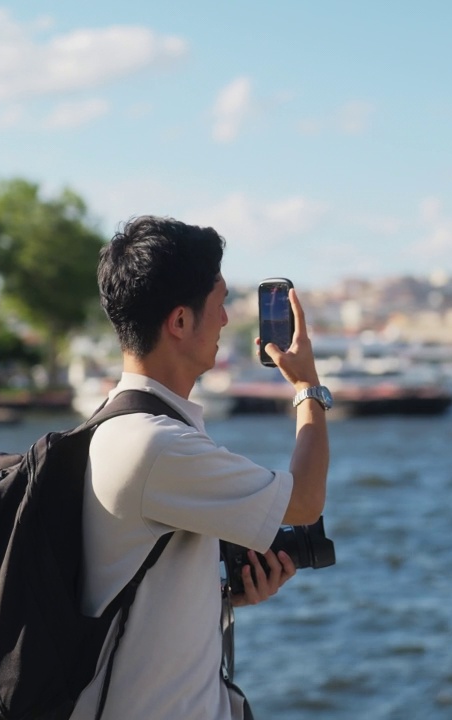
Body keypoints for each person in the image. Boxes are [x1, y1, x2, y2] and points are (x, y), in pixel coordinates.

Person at [68, 215, 331, 719]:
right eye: (220, 303)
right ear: (181, 323)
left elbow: (129, 592)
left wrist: (224, 597)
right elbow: (305, 501)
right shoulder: (156, 446)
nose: (228, 320)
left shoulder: (117, 426)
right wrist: (307, 389)